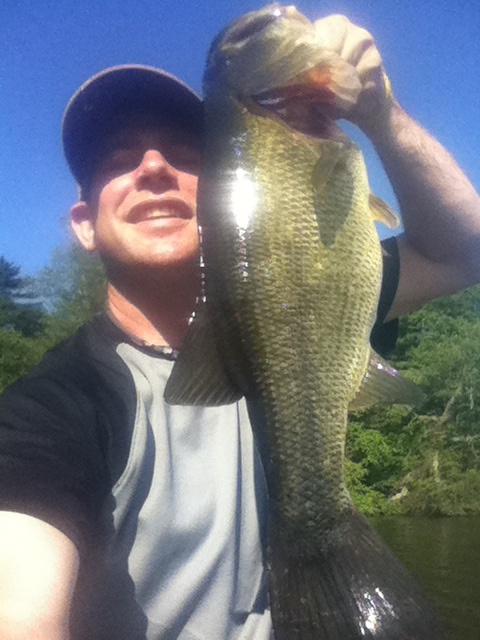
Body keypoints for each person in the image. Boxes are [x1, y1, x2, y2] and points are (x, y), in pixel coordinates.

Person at [1, 15, 479, 640]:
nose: (152, 168)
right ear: (84, 225)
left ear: (221, 194)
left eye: (183, 154)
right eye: (119, 160)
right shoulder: (49, 412)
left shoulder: (312, 279)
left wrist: (380, 114)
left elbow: (465, 251)